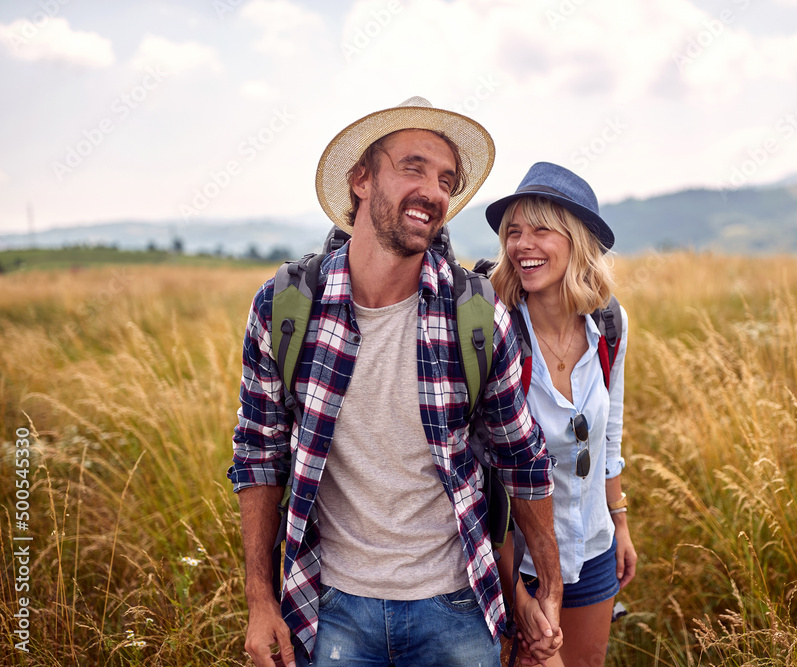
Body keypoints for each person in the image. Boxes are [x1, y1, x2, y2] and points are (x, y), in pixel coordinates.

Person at [228, 98, 565, 667]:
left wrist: (546, 585)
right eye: (414, 167)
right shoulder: (287, 307)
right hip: (329, 605)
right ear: (361, 179)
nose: (434, 191)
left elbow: (520, 456)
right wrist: (261, 601)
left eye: (446, 180)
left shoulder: (476, 313)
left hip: (457, 607)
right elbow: (260, 454)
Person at [487, 162, 638, 666]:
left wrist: (619, 524)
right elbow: (489, 473)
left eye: (540, 229)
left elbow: (608, 434)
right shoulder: (495, 334)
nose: (521, 244)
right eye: (513, 231)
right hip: (518, 559)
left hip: (593, 544)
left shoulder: (608, 326)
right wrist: (517, 594)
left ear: (577, 241)